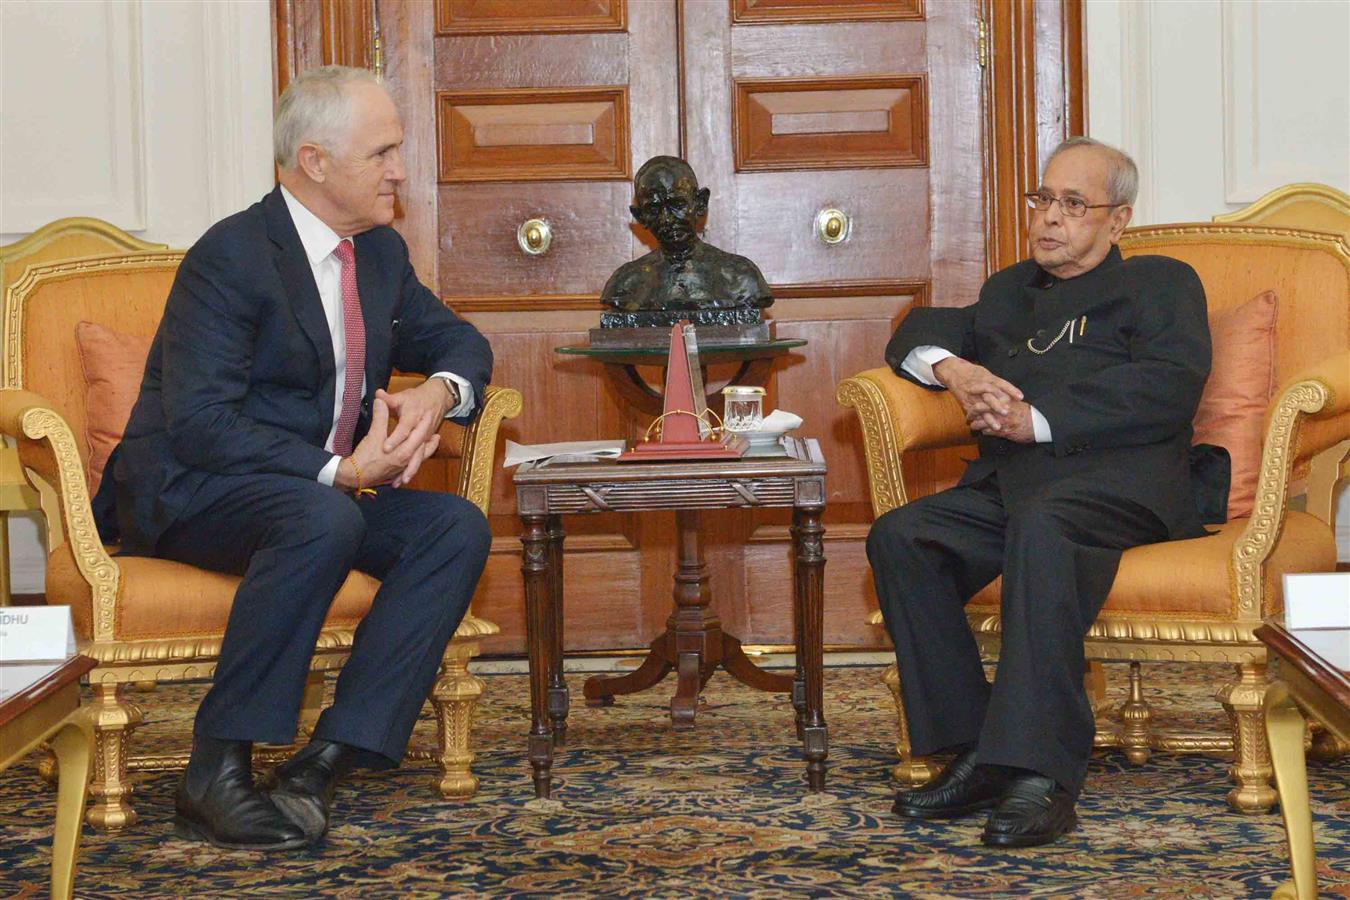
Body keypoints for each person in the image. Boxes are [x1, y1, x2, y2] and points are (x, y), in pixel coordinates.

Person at [93, 65, 494, 851]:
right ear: (313, 161)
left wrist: (440, 394)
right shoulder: (233, 256)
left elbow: (459, 341)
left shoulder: (376, 256)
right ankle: (215, 768)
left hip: (308, 498)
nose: (400, 170)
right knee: (321, 516)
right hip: (191, 489)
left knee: (453, 528)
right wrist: (343, 472)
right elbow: (202, 424)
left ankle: (327, 759)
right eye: (382, 152)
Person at [868, 137, 1220, 847]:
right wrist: (953, 372)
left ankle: (1043, 775)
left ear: (1116, 222)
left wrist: (1036, 420)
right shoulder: (1008, 291)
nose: (1049, 217)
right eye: (1042, 198)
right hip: (1014, 488)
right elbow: (918, 330)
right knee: (903, 537)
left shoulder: (1161, 282)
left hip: (1121, 482)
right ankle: (981, 750)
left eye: (1072, 203)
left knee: (1045, 523)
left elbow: (1168, 385)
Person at [600, 155, 772, 314]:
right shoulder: (625, 284)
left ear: (700, 203)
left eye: (677, 204)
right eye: (654, 209)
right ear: (640, 216)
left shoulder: (741, 277)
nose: (666, 219)